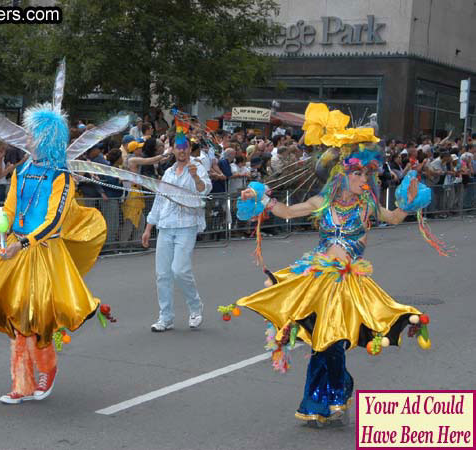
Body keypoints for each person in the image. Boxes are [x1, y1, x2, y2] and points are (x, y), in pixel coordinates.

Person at [234, 103, 435, 426]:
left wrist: (409, 201)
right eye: (358, 173)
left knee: (333, 341)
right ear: (342, 175)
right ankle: (323, 398)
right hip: (317, 280)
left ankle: (334, 391)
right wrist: (256, 199)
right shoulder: (321, 202)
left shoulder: (368, 204)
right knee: (324, 342)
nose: (364, 178)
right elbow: (286, 212)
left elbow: (395, 217)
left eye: (366, 173)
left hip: (350, 284)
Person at [0, 102, 107, 404]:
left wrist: (23, 243)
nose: (27, 140)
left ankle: (47, 370)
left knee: (37, 321)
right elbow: (9, 206)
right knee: (17, 319)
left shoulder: (61, 176)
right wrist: (1, 229)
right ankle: (22, 383)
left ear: (48, 139)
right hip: (16, 249)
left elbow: (53, 221)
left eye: (33, 136)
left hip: (44, 253)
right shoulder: (23, 169)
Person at [141, 132, 212, 331]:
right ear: (172, 149)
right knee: (162, 274)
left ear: (189, 149)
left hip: (187, 225)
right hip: (166, 226)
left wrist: (195, 176)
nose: (181, 150)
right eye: (178, 147)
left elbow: (204, 190)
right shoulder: (168, 173)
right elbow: (159, 200)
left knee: (180, 270)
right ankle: (166, 317)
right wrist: (148, 228)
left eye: (185, 147)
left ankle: (196, 307)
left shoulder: (197, 167)